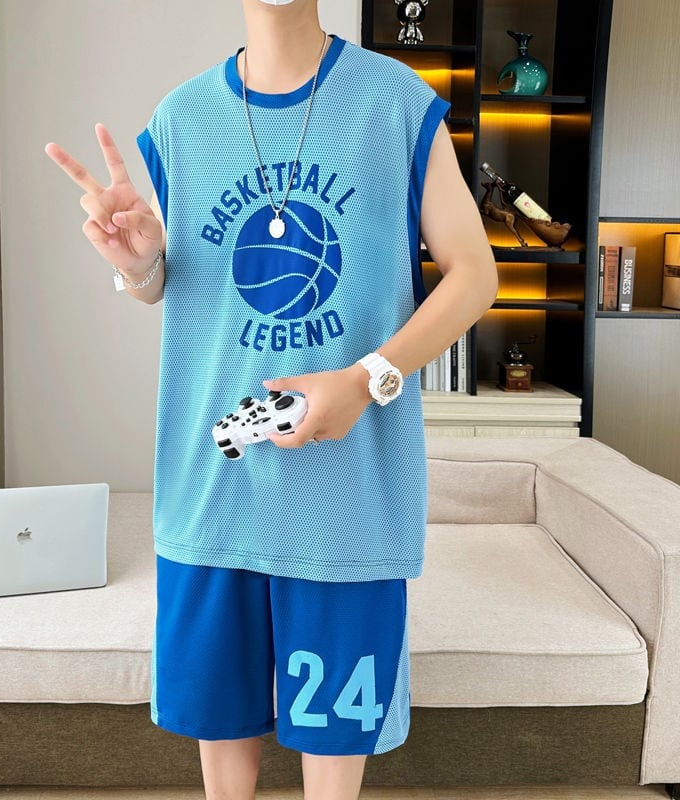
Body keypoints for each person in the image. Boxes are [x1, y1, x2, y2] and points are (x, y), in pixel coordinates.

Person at [46, 1, 498, 797]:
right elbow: (178, 290)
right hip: (212, 501)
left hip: (347, 506)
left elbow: (476, 275)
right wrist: (138, 266)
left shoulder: (394, 104)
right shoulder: (181, 119)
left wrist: (366, 379)